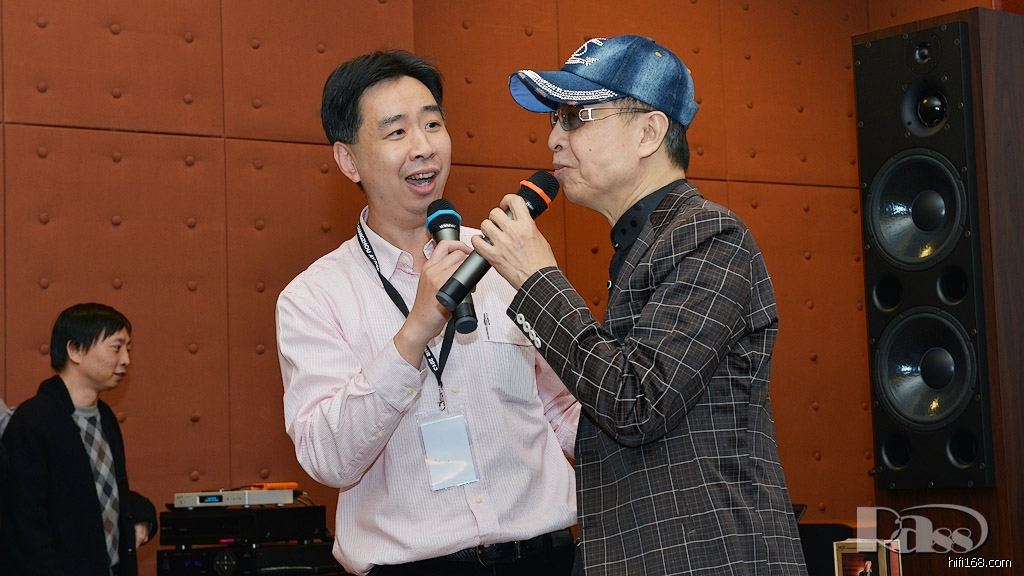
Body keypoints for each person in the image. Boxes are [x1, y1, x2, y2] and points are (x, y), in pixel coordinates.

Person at [472, 35, 809, 575]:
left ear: (649, 132)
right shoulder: (644, 247)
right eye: (554, 120)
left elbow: (635, 402)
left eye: (575, 117)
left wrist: (536, 280)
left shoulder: (710, 236)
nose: (554, 139)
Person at [276, 50, 579, 576]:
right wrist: (416, 329)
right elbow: (329, 458)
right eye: (396, 132)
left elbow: (563, 411)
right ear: (348, 160)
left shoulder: (503, 258)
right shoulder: (314, 297)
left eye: (433, 124)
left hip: (543, 558)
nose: (424, 147)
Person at [0, 302, 157, 576]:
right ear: (74, 350)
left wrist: (143, 515)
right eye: (116, 347)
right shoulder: (34, 421)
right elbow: (26, 526)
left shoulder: (105, 417)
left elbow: (96, 492)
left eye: (128, 349)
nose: (126, 360)